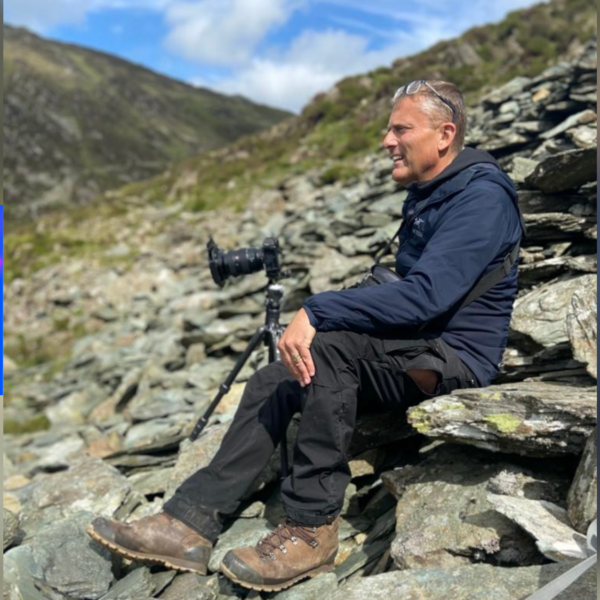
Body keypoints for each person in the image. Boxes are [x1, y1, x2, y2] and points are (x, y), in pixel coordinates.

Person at [87, 80, 525, 592]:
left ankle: (312, 527)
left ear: (445, 134)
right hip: (411, 346)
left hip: (449, 363)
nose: (386, 140)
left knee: (325, 347)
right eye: (388, 128)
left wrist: (318, 309)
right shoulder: (432, 194)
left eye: (400, 128)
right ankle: (188, 523)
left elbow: (427, 297)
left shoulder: (482, 198)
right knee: (277, 378)